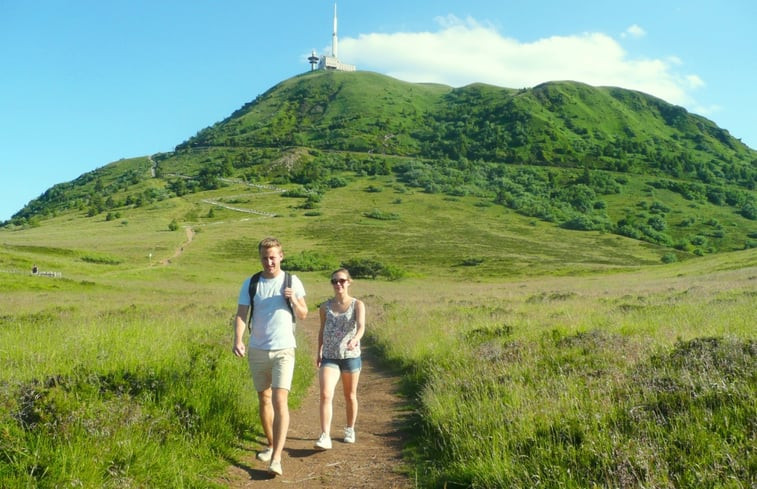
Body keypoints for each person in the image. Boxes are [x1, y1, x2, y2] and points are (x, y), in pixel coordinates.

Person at [232, 237, 308, 477]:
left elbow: (304, 314)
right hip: (257, 349)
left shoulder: (292, 281)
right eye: (265, 257)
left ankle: (276, 459)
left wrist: (294, 299)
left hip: (284, 349)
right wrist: (238, 340)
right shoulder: (251, 283)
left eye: (273, 257)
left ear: (281, 256)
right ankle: (272, 443)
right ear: (260, 258)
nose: (269, 262)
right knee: (263, 399)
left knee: (279, 399)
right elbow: (242, 314)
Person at [314, 268, 365, 450]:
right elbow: (322, 330)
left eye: (342, 281)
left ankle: (350, 429)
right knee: (326, 394)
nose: (338, 284)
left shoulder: (357, 305)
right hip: (330, 356)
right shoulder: (325, 306)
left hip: (350, 357)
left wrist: (355, 340)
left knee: (349, 395)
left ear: (349, 282)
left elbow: (361, 327)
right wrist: (319, 351)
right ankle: (325, 435)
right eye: (334, 281)